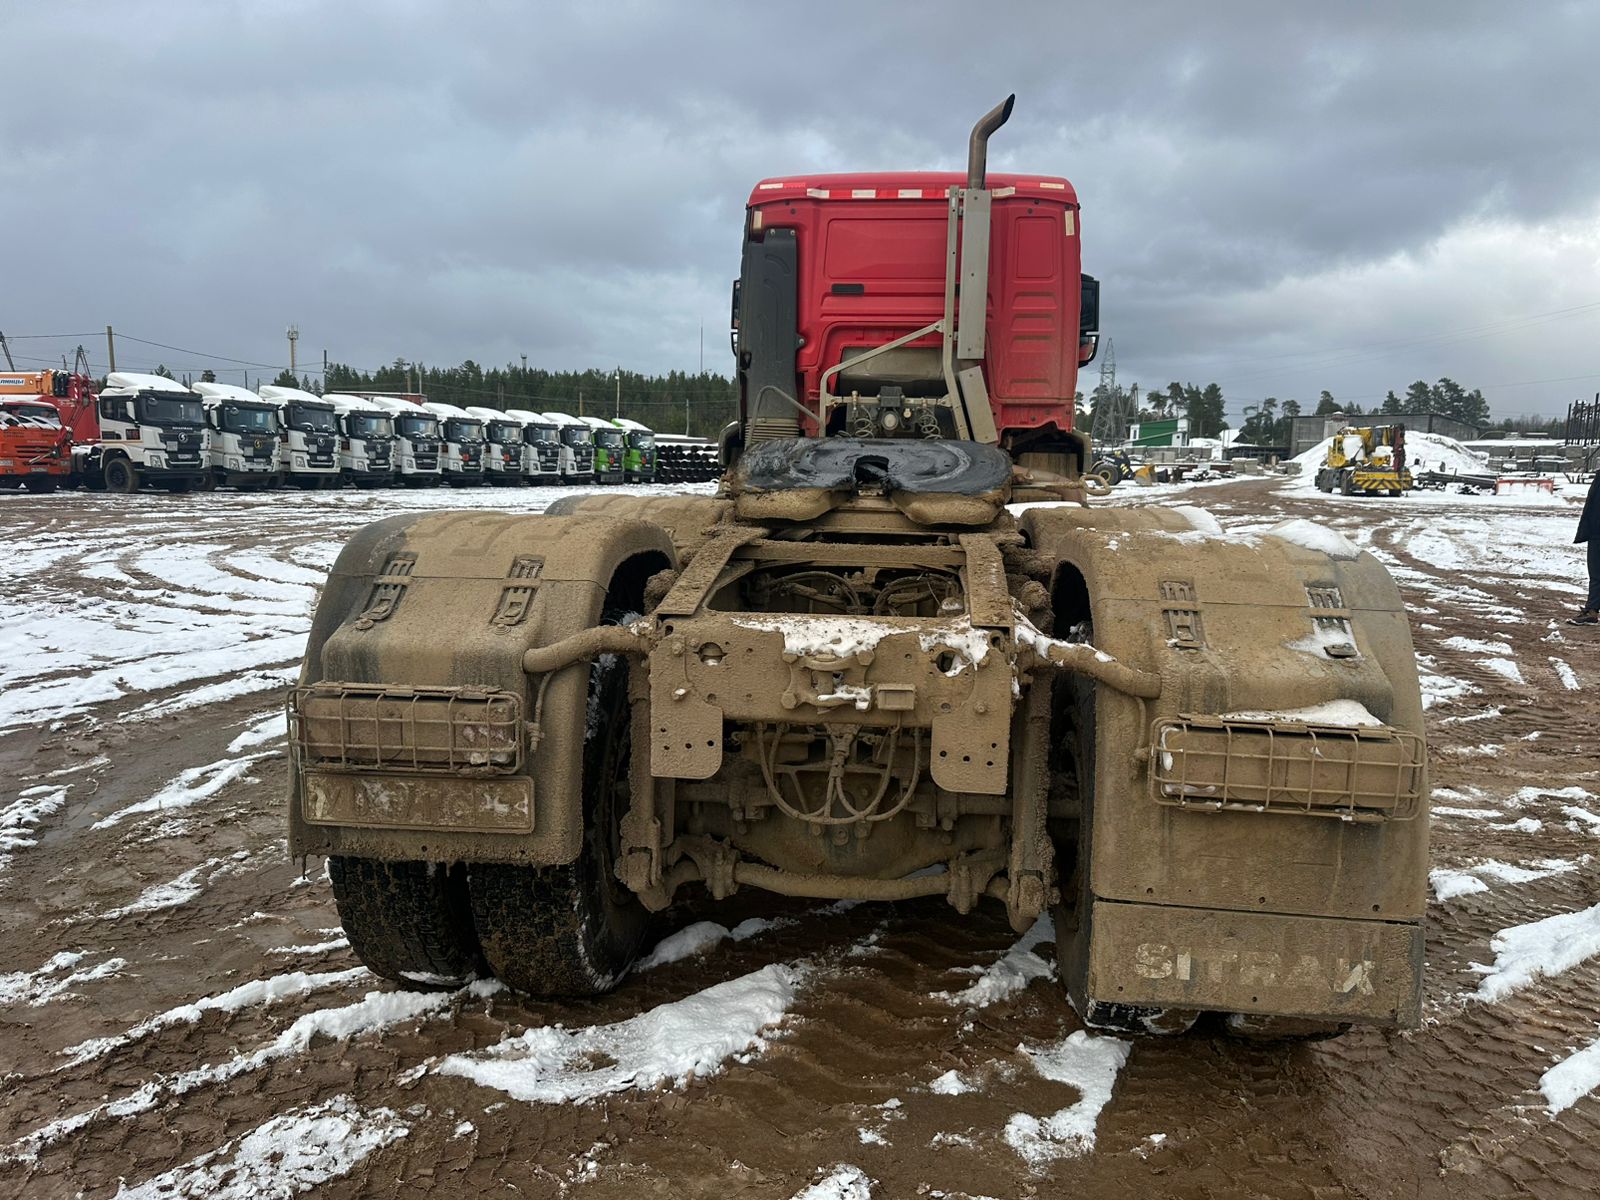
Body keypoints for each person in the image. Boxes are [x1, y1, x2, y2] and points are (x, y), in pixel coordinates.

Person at [1572, 468, 1600, 626]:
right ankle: (1592, 609)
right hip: (1595, 532)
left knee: (1596, 573)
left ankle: (1592, 610)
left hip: (1597, 532)